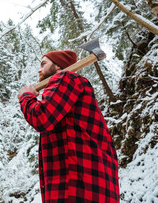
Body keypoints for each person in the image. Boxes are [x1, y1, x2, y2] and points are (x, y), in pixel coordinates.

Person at [18, 50, 119, 203]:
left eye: (44, 64)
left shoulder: (67, 77)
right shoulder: (65, 90)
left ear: (58, 66)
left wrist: (26, 97)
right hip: (85, 184)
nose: (39, 69)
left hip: (78, 185)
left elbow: (40, 118)